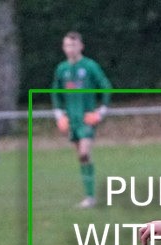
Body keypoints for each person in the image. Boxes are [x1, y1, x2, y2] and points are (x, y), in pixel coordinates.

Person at [51, 31, 112, 208]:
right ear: (63, 48)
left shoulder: (90, 66)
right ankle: (89, 195)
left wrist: (101, 111)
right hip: (72, 120)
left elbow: (106, 87)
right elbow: (56, 92)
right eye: (67, 45)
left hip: (86, 118)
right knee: (82, 157)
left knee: (84, 153)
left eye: (73, 45)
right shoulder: (62, 69)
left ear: (81, 46)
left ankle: (90, 198)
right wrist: (59, 114)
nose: (70, 48)